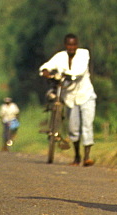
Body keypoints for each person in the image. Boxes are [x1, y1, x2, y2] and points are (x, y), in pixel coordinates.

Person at [39, 33, 97, 166]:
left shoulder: (84, 54)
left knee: (87, 125)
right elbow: (46, 66)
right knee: (73, 127)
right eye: (69, 45)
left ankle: (87, 157)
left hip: (85, 95)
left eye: (74, 44)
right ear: (65, 45)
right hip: (70, 98)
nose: (71, 47)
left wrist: (64, 75)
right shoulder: (60, 56)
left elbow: (79, 71)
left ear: (77, 45)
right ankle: (77, 156)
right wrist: (46, 71)